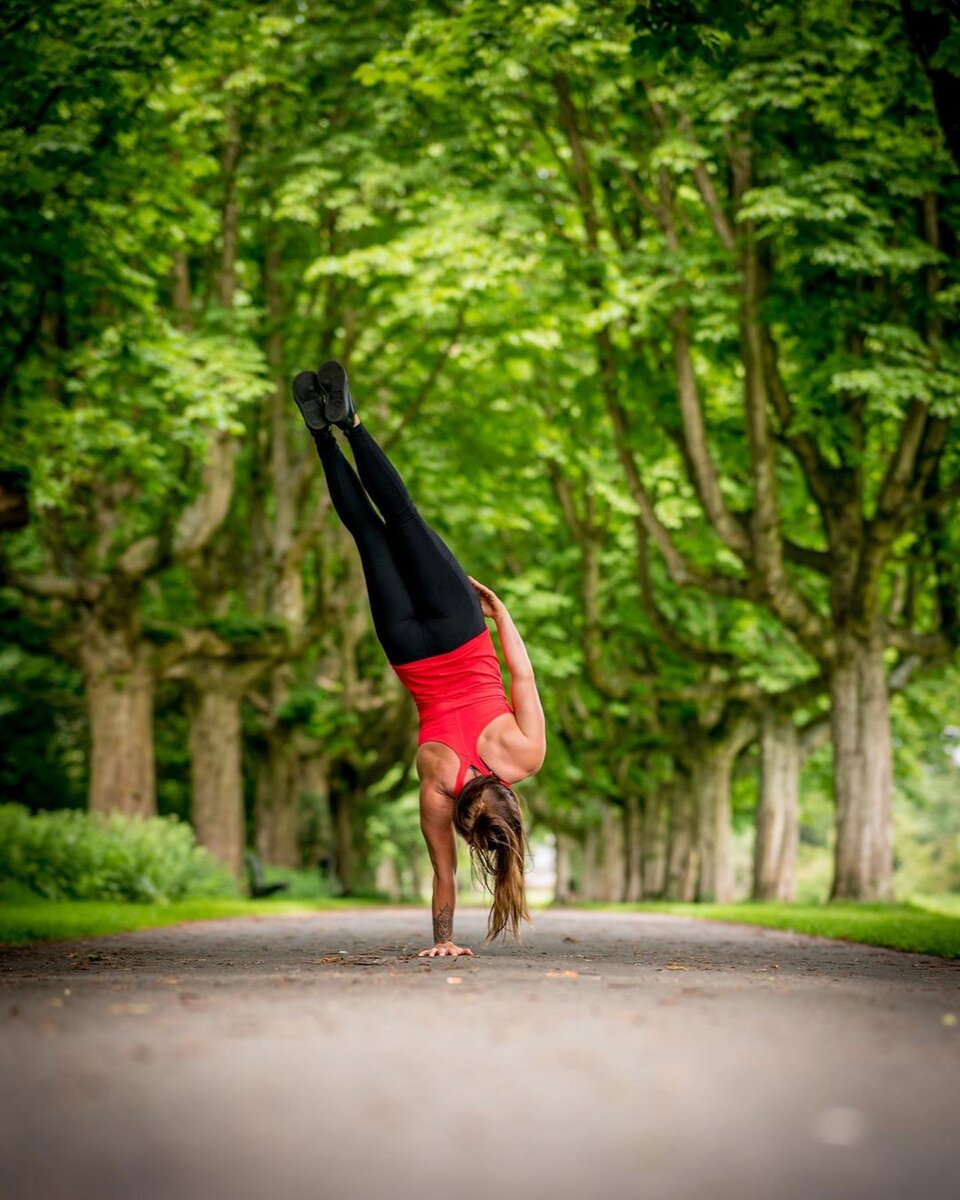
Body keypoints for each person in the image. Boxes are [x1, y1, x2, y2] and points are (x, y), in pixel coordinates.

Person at [292, 360, 546, 958]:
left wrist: (502, 612)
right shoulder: (437, 787)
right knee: (370, 536)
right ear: (470, 823)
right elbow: (444, 877)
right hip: (408, 649)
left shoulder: (524, 756)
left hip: (461, 627)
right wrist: (443, 942)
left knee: (403, 520)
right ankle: (320, 435)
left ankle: (350, 421)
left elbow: (524, 674)